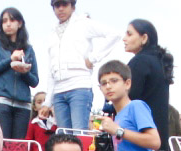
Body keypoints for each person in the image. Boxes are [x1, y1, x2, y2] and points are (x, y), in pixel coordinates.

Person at [38, 0, 120, 130]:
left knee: (79, 133)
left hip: (79, 86)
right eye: (57, 5)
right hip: (58, 92)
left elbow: (114, 34)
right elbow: (50, 71)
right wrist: (47, 102)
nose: (60, 9)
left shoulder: (83, 24)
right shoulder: (52, 33)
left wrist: (93, 58)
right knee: (63, 137)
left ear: (73, 6)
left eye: (64, 4)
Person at [97, 60, 161, 151]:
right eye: (104, 83)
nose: (108, 86)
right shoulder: (117, 116)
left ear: (127, 83)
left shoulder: (136, 106)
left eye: (114, 81)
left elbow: (154, 141)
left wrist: (118, 131)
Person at [0, 8, 39, 140]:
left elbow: (35, 81)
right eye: (4, 21)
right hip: (1, 100)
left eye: (12, 20)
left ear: (20, 23)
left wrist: (24, 72)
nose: (8, 24)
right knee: (3, 143)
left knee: (18, 146)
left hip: (23, 104)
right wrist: (9, 61)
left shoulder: (28, 49)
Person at [123, 19, 173, 151]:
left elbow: (128, 100)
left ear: (144, 38)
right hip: (159, 135)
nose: (124, 39)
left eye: (129, 34)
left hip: (142, 136)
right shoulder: (158, 61)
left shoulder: (140, 61)